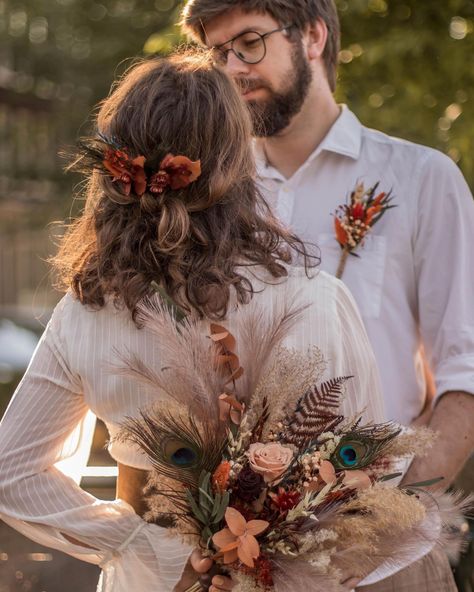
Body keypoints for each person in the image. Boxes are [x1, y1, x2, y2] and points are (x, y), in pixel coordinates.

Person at [0, 52, 386, 592]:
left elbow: (12, 474)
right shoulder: (311, 300)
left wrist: (139, 544)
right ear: (237, 162)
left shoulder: (88, 309)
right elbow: (365, 478)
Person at [180, 1, 474, 591]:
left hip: (383, 558)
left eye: (250, 43)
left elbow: (464, 374)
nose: (233, 68)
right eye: (218, 53)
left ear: (312, 35)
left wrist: (395, 520)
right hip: (234, 556)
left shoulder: (420, 178)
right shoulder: (207, 197)